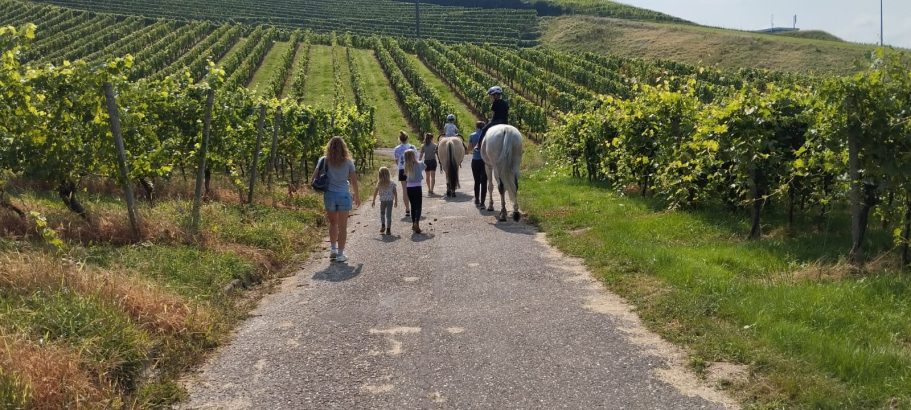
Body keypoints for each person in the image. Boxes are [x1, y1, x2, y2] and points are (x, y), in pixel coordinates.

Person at [313, 136, 360, 263]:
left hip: (329, 195)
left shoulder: (323, 160)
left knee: (333, 223)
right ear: (343, 147)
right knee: (343, 226)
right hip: (344, 195)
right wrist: (357, 195)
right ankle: (340, 254)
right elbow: (354, 181)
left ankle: (333, 249)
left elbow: (314, 178)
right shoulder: (348, 162)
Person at [393, 131, 416, 217]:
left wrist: (400, 166)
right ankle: (414, 207)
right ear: (407, 138)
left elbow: (396, 161)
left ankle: (407, 209)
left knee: (404, 190)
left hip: (402, 170)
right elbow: (415, 160)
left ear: (400, 139)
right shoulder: (412, 147)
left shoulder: (396, 149)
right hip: (411, 169)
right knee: (413, 189)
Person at [403, 149, 426, 234]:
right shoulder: (419, 164)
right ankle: (417, 222)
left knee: (413, 206)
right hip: (417, 187)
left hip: (409, 188)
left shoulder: (406, 165)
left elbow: (404, 173)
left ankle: (413, 224)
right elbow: (425, 166)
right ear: (414, 156)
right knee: (418, 206)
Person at [371, 167, 397, 236]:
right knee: (389, 215)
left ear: (379, 175)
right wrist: (396, 201)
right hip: (390, 201)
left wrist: (373, 200)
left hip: (383, 202)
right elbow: (395, 192)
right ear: (388, 174)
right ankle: (388, 229)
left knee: (382, 214)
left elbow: (375, 192)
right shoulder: (392, 183)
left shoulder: (379, 183)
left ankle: (383, 225)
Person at [468, 121, 488, 207]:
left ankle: (477, 199)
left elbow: (469, 148)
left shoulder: (472, 135)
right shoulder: (487, 136)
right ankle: (483, 202)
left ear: (476, 127)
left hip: (475, 160)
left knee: (476, 181)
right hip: (485, 161)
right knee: (484, 182)